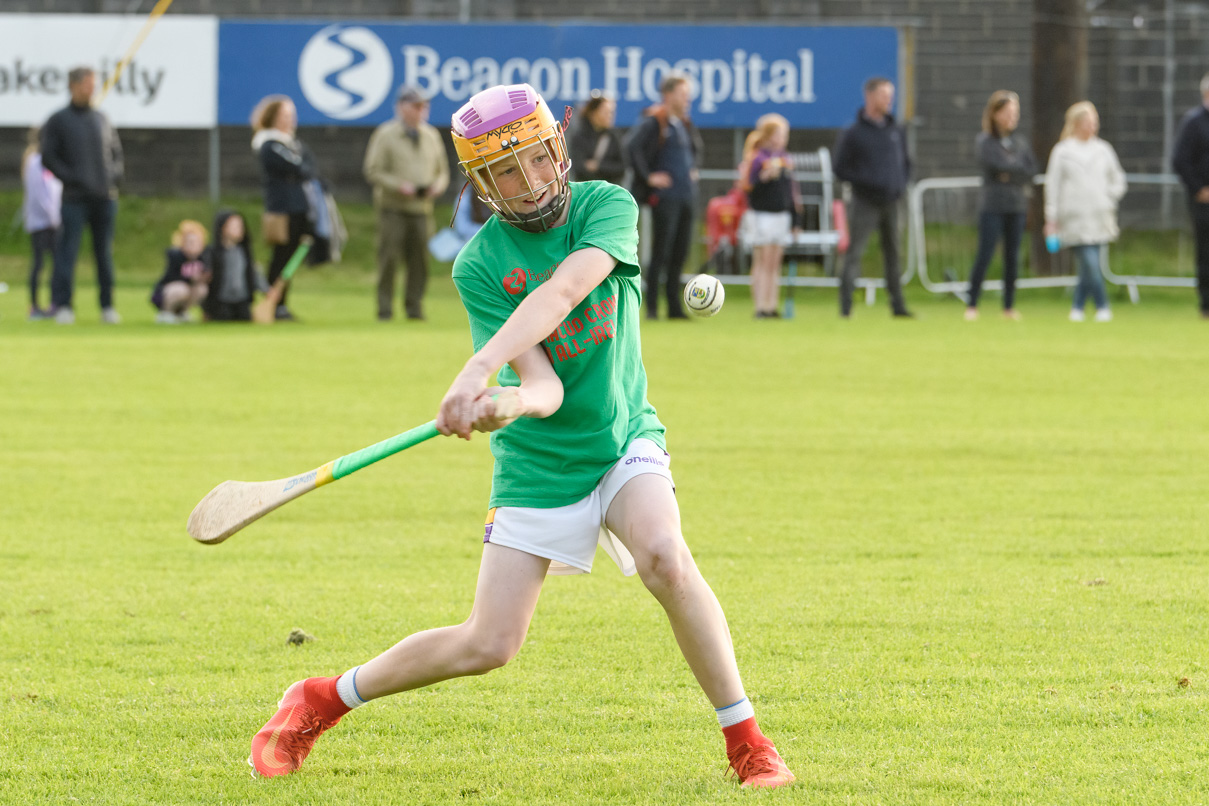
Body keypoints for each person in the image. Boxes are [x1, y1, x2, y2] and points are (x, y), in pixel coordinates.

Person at [246, 83, 795, 791]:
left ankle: (746, 739)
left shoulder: (606, 206)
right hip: (539, 466)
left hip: (622, 435)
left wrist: (475, 369)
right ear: (480, 181)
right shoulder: (479, 265)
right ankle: (322, 697)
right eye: (506, 171)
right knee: (489, 644)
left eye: (537, 159)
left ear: (557, 147)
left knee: (664, 556)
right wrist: (504, 402)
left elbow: (565, 291)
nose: (530, 183)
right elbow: (546, 389)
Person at [40, 66, 124, 325]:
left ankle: (107, 306)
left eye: (93, 84)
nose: (92, 89)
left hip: (104, 199)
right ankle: (64, 305)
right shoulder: (58, 120)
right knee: (68, 253)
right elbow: (49, 157)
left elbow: (116, 154)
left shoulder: (101, 118)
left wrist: (112, 178)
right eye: (87, 84)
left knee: (104, 255)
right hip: (75, 200)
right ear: (74, 86)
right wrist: (74, 178)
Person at [363, 85, 450, 321]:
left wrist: (436, 187)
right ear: (401, 107)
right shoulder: (385, 134)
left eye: (424, 105)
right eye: (416, 105)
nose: (421, 110)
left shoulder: (431, 136)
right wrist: (399, 186)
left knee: (420, 262)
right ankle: (384, 309)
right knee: (389, 259)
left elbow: (442, 172)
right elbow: (373, 171)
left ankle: (415, 308)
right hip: (393, 208)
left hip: (422, 209)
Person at [832, 76, 913, 319]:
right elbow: (840, 168)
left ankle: (898, 306)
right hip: (864, 202)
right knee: (854, 253)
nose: (889, 101)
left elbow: (906, 163)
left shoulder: (895, 130)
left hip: (891, 201)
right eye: (883, 95)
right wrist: (867, 181)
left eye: (891, 96)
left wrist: (900, 184)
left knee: (894, 254)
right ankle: (846, 308)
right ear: (869, 97)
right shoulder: (854, 133)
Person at [626, 73, 703, 320]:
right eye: (683, 94)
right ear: (668, 96)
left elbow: (696, 150)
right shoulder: (654, 122)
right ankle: (651, 307)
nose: (687, 99)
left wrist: (691, 170)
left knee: (680, 252)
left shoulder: (683, 124)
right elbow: (631, 147)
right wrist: (649, 177)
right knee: (661, 250)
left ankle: (674, 307)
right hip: (666, 198)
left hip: (685, 196)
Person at [1044, 101, 1127, 323]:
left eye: (1095, 122)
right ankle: (1102, 304)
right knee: (1090, 262)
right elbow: (1053, 185)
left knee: (1089, 265)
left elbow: (1118, 180)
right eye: (1089, 122)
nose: (1093, 127)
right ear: (1077, 124)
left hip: (1099, 215)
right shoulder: (1063, 151)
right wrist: (1051, 217)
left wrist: (1108, 197)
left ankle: (1078, 307)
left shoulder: (1103, 149)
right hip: (1073, 217)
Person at [964, 91, 1037, 321]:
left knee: (1012, 257)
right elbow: (993, 166)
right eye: (1006, 112)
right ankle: (972, 303)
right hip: (992, 205)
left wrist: (1010, 172)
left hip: (1016, 206)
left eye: (1015, 112)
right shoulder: (985, 141)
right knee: (985, 254)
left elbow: (1030, 170)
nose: (1011, 117)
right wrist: (1010, 171)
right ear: (995, 114)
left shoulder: (1020, 142)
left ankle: (1008, 306)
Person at [252, 95, 315, 322]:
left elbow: (308, 165)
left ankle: (282, 302)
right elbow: (298, 167)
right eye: (284, 116)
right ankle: (273, 301)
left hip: (298, 208)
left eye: (291, 116)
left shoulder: (292, 144)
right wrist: (300, 168)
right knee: (280, 257)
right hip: (281, 210)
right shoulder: (269, 145)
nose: (289, 121)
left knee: (291, 259)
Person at [739, 113, 799, 318]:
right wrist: (764, 178)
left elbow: (792, 192)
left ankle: (772, 305)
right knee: (762, 261)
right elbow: (746, 186)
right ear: (769, 136)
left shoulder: (785, 160)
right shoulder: (757, 158)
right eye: (780, 134)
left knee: (775, 262)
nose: (783, 138)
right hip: (761, 214)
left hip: (781, 215)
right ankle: (760, 306)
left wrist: (796, 219)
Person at [1171, 72, 1209, 319]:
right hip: (1203, 200)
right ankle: (1206, 303)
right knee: (1206, 251)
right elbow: (1180, 161)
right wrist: (1199, 189)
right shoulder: (1193, 122)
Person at [21, 126, 62, 321]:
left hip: (53, 221)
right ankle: (35, 306)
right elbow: (38, 194)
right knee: (38, 264)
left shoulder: (51, 161)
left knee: (56, 264)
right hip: (41, 222)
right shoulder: (34, 161)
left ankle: (55, 304)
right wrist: (51, 216)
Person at [202, 210, 260, 322]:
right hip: (221, 299)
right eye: (234, 226)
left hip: (241, 299)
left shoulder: (244, 252)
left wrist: (266, 290)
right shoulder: (213, 253)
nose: (239, 229)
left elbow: (253, 273)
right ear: (222, 228)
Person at [150, 220, 210, 324]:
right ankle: (166, 313)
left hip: (188, 290)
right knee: (181, 289)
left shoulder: (203, 258)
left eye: (196, 242)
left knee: (202, 289)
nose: (193, 246)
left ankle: (182, 312)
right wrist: (190, 278)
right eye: (189, 242)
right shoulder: (176, 256)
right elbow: (174, 277)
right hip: (167, 292)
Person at [569, 90, 625, 185]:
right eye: (605, 112)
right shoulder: (580, 136)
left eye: (611, 112)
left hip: (609, 191)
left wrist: (598, 166)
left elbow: (622, 167)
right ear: (593, 113)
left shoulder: (614, 136)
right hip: (586, 191)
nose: (610, 116)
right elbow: (578, 166)